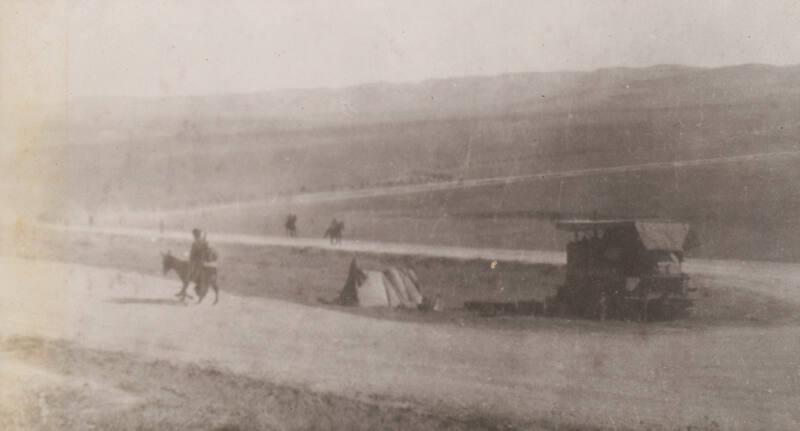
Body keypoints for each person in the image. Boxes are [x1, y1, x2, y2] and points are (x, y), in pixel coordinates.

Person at [177, 228, 209, 298]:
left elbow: (192, 254)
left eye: (194, 234)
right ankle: (183, 291)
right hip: (201, 262)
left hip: (196, 262)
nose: (193, 236)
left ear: (195, 235)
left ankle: (183, 291)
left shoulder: (195, 243)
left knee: (187, 276)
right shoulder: (202, 241)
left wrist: (189, 258)